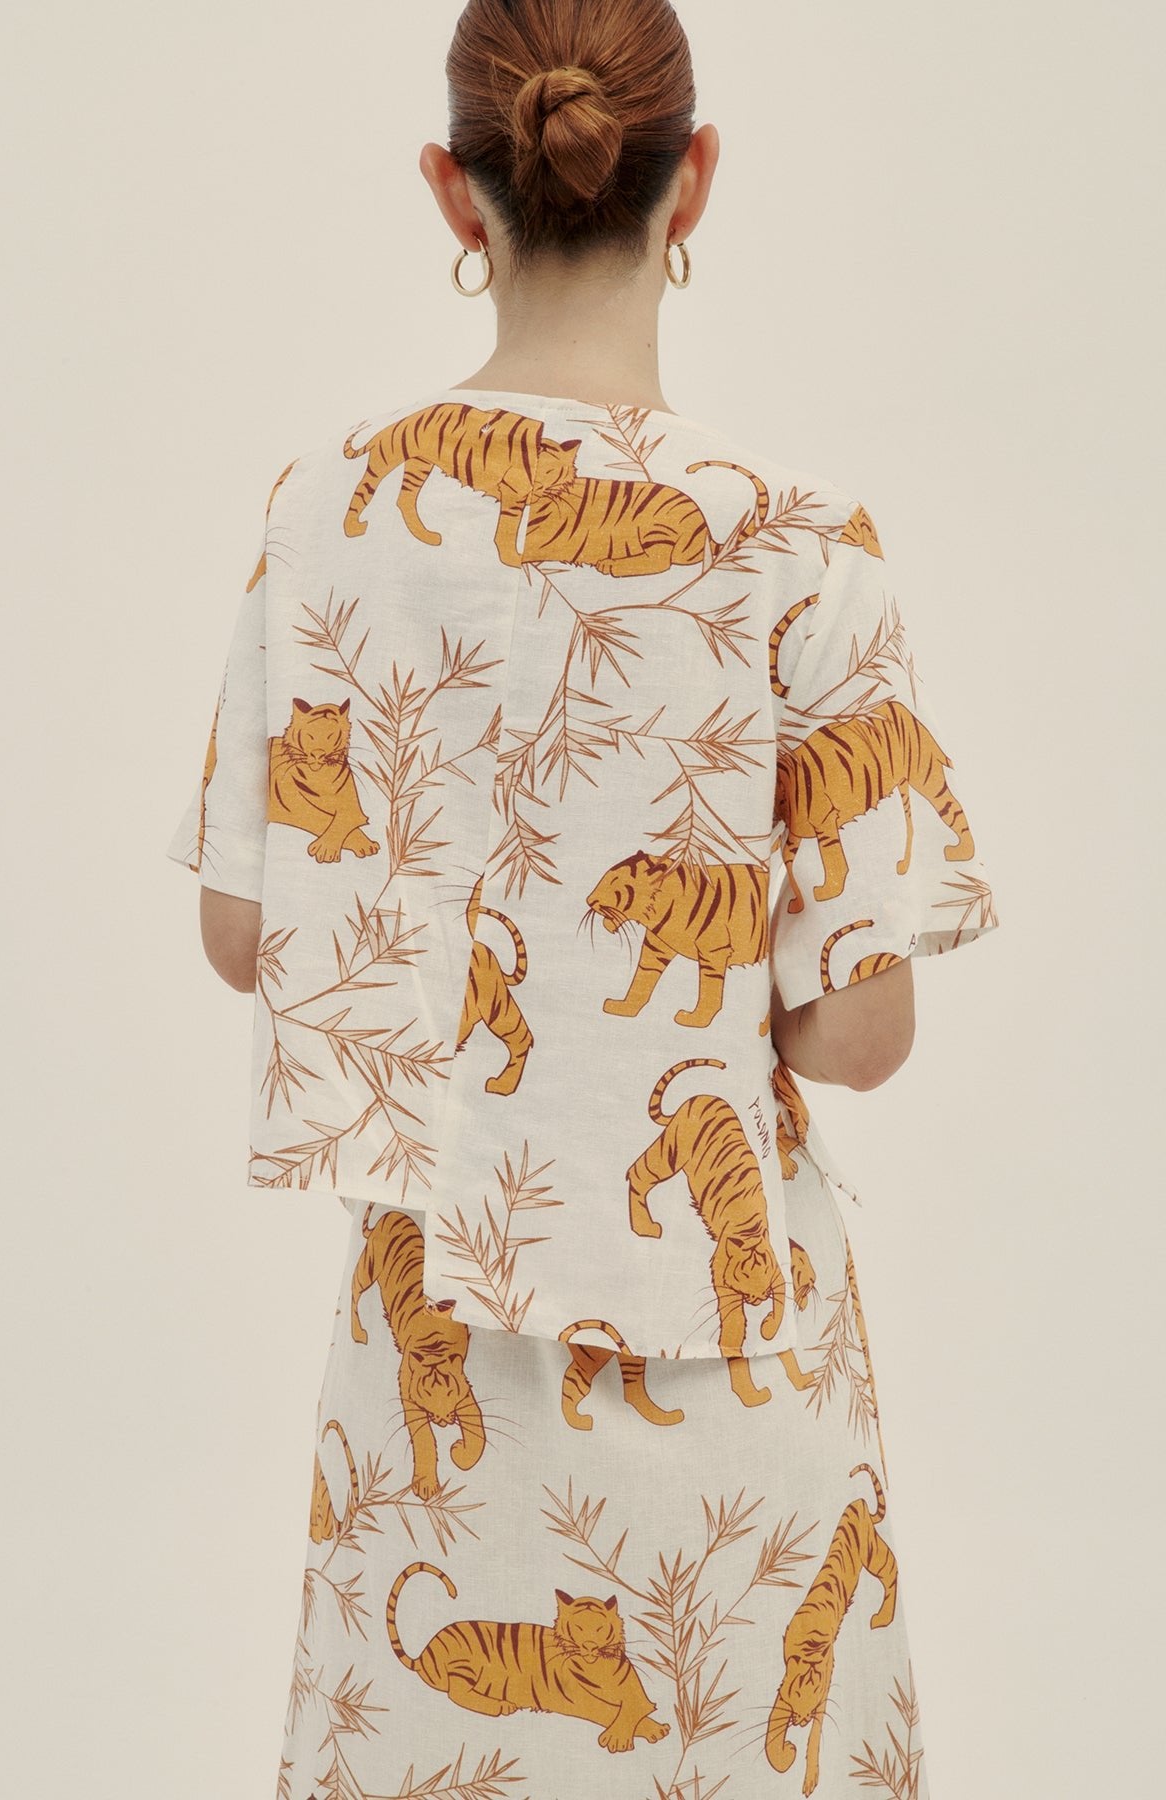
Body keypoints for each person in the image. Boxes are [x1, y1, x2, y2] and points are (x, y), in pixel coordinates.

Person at [165, 3, 1000, 1794]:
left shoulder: (329, 511)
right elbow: (861, 1037)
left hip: (432, 1337)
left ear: (449, 191)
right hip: (732, 1378)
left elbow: (246, 937)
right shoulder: (804, 542)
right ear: (693, 182)